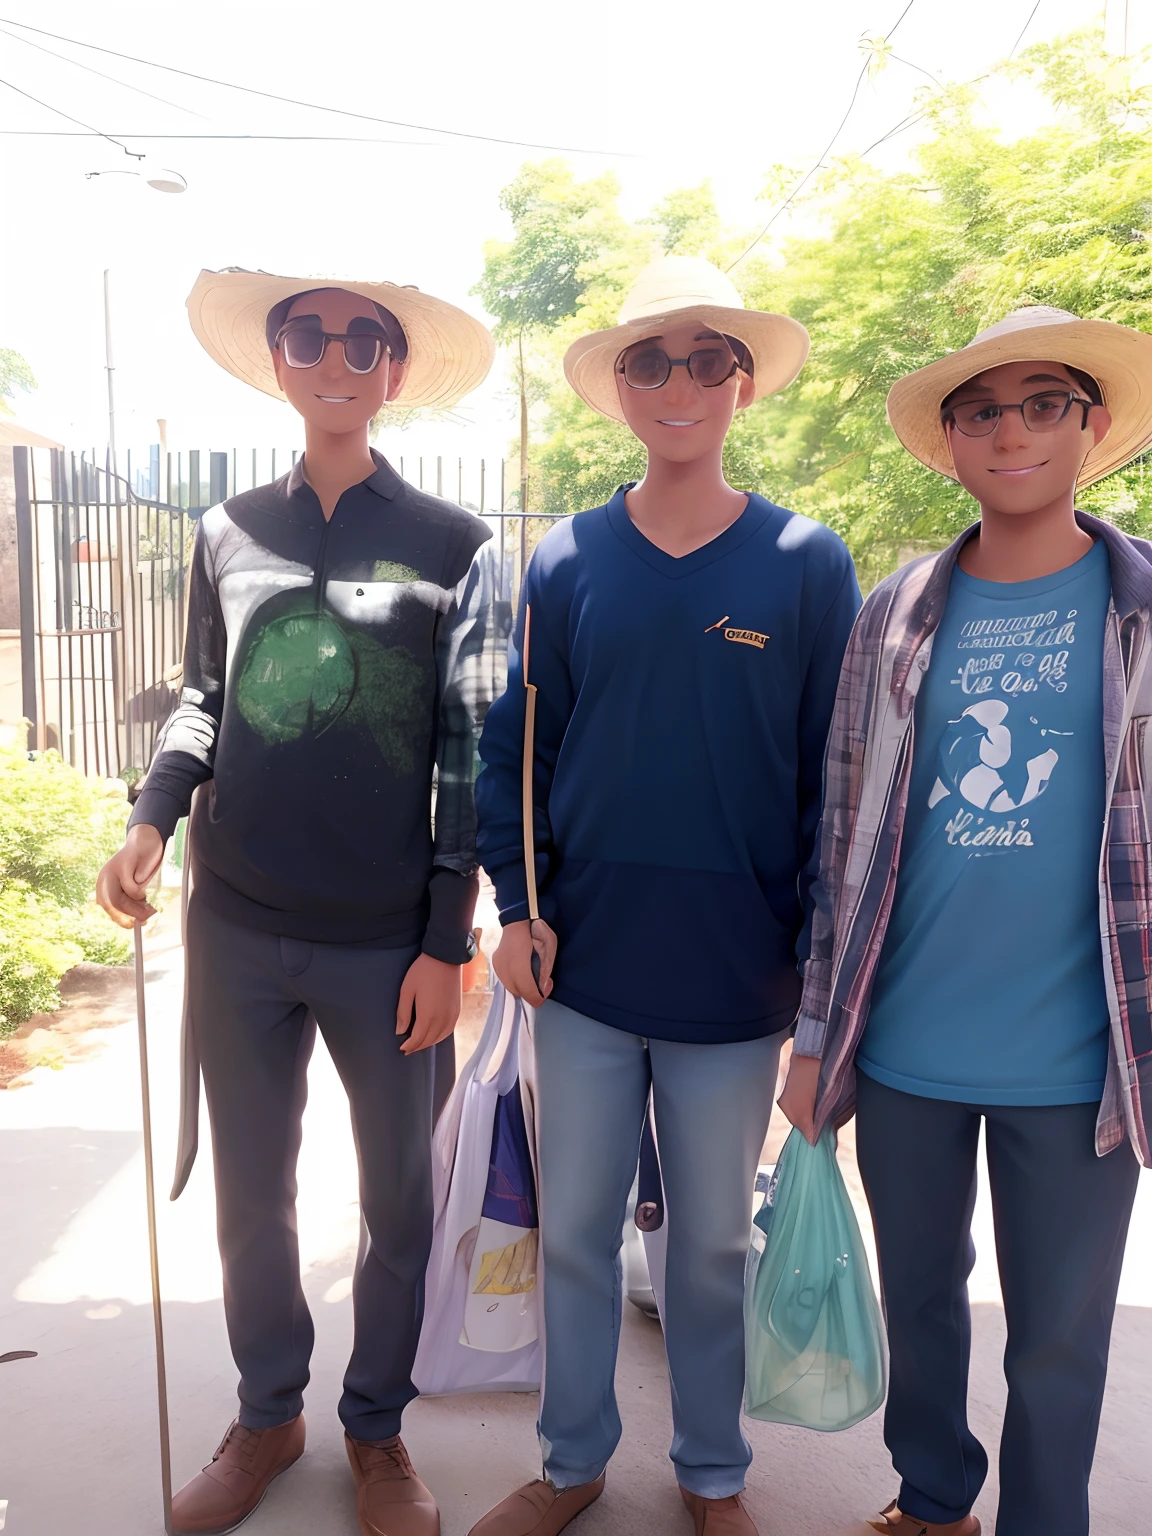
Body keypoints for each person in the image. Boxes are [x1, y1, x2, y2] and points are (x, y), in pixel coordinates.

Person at [96, 269, 499, 1536]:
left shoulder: (455, 543)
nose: (336, 356)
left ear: (393, 369)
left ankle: (374, 1429)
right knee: (251, 1193)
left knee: (398, 1206)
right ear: (278, 362)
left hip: (387, 945)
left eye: (362, 339)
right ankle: (268, 1413)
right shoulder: (223, 530)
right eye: (309, 337)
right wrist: (151, 818)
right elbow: (206, 696)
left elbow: (469, 749)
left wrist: (446, 940)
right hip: (239, 929)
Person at [471, 255, 861, 1536]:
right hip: (580, 968)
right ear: (619, 390)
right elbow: (515, 753)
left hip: (734, 979)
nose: (680, 384)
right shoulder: (566, 558)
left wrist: (813, 982)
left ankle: (712, 1471)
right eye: (651, 361)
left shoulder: (808, 561)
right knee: (577, 1233)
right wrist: (514, 907)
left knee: (707, 1247)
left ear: (742, 384)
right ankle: (571, 1460)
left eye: (707, 360)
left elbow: (834, 781)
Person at [778, 306, 1152, 1536]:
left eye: (1045, 402)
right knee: (921, 1299)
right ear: (948, 441)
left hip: (1080, 1063)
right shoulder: (895, 615)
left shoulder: (1142, 609)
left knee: (1057, 1343)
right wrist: (817, 1028)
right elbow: (840, 845)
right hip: (905, 1049)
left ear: (1091, 428)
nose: (1013, 431)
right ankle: (934, 1495)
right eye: (983, 409)